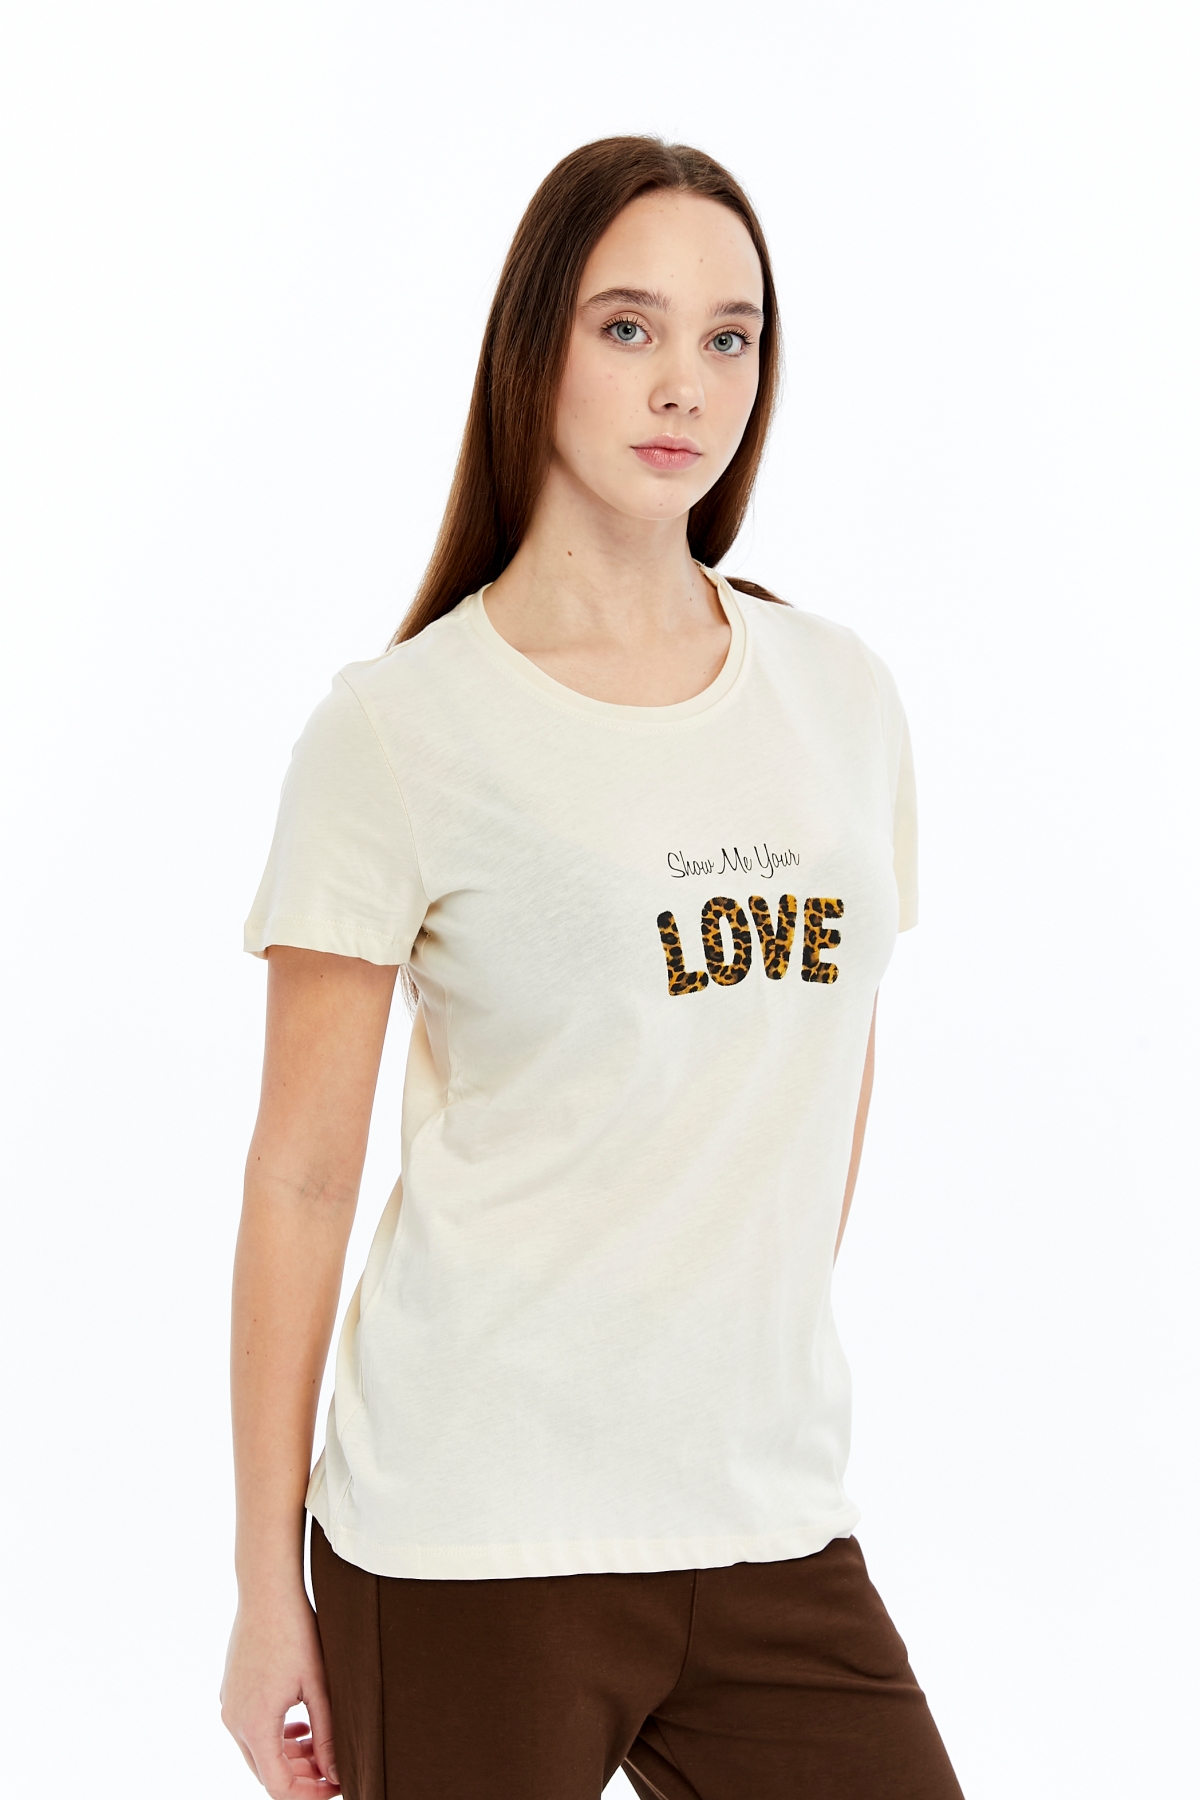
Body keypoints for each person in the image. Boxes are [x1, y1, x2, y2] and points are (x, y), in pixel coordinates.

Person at [220, 136, 964, 1800]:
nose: (685, 381)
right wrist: (268, 1588)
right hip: (470, 1531)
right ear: (534, 346)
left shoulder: (840, 696)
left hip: (768, 1516)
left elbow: (830, 1057)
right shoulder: (400, 730)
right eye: (629, 326)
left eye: (729, 335)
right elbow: (301, 1177)